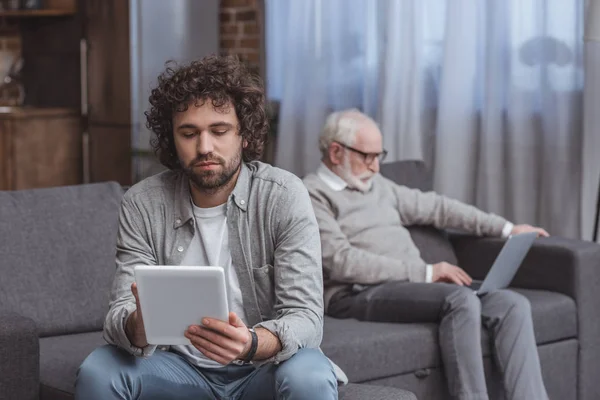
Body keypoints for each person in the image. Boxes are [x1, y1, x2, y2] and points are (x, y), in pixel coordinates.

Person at [75, 55, 340, 400]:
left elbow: (305, 318)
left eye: (219, 130)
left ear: (244, 135)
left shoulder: (283, 196)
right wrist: (137, 326)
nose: (204, 147)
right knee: (101, 369)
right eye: (189, 133)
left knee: (309, 373)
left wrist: (251, 343)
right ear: (173, 139)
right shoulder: (142, 202)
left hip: (261, 369)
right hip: (176, 370)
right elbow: (118, 314)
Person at [303, 108, 551, 400]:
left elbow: (439, 208)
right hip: (355, 294)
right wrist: (427, 273)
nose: (376, 167)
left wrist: (507, 229)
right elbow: (341, 262)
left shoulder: (378, 186)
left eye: (378, 156)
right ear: (335, 152)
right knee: (460, 299)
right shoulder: (312, 194)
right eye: (367, 157)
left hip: (412, 286)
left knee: (511, 303)